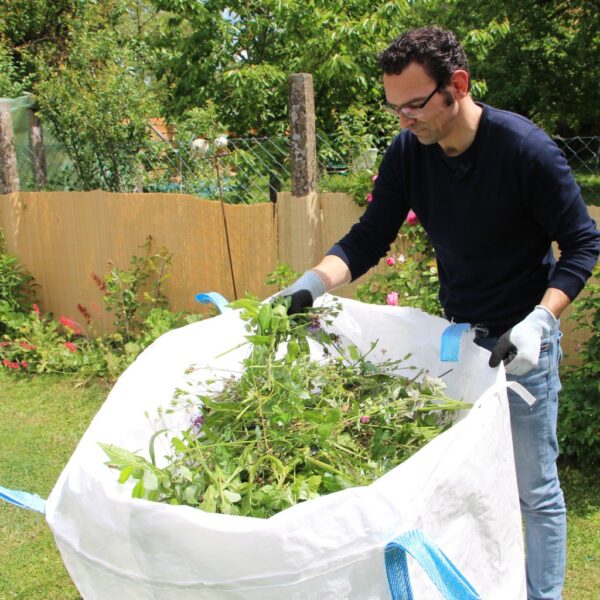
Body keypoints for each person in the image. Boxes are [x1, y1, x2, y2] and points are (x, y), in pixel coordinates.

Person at [281, 26, 600, 600]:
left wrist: (541, 320)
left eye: (414, 105)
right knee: (468, 483)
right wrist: (311, 285)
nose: (403, 120)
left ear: (457, 85)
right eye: (394, 108)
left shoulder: (524, 150)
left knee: (537, 491)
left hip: (524, 345)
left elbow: (582, 245)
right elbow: (369, 237)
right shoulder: (410, 153)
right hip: (459, 346)